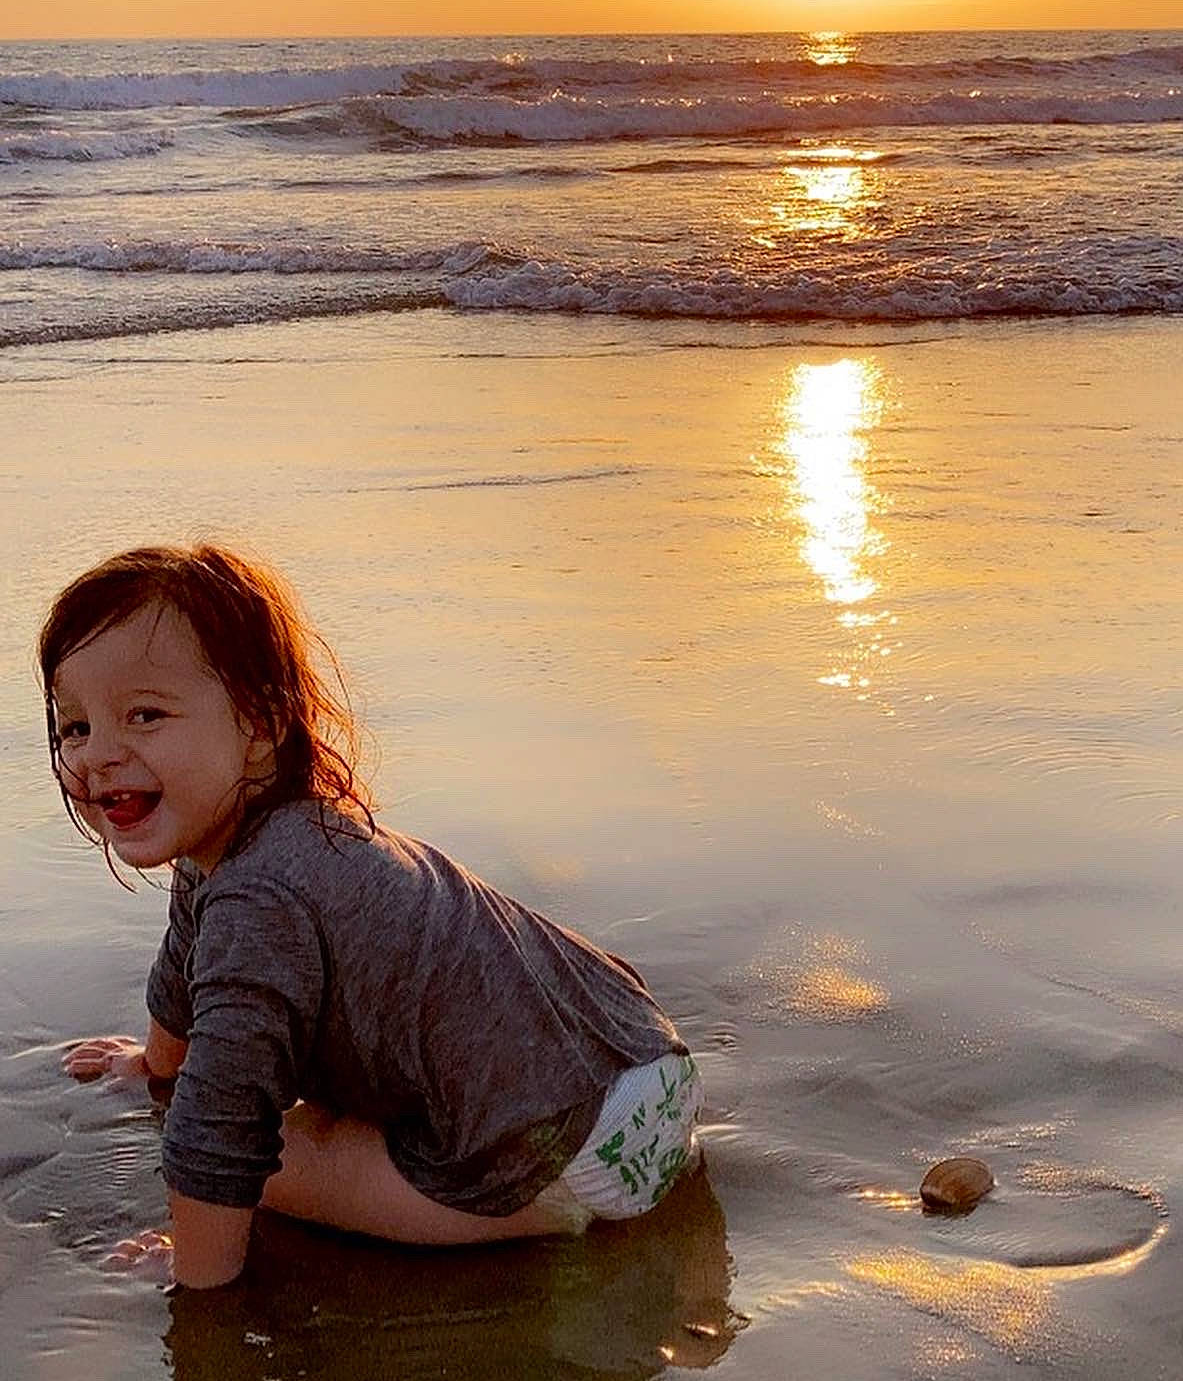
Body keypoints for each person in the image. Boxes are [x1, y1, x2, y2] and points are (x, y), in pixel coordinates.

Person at [42, 544, 702, 1290]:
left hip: (583, 1148)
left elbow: (218, 1126)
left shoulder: (260, 897)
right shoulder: (282, 831)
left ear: (258, 726)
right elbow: (182, 969)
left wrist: (193, 1279)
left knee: (271, 1157)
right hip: (648, 1064)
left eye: (145, 715)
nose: (98, 755)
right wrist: (154, 1068)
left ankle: (547, 1215)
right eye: (74, 727)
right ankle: (547, 1184)